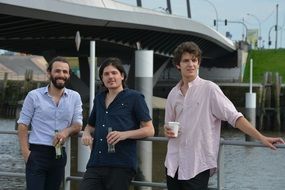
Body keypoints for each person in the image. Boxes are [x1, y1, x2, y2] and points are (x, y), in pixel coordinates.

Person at [164, 41, 285, 190]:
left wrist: (261, 137)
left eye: (194, 60)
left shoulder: (210, 89)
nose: (191, 64)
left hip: (197, 164)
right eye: (186, 61)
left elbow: (235, 117)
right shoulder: (172, 94)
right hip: (173, 163)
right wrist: (167, 131)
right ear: (178, 65)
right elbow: (169, 125)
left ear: (199, 63)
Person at [80, 57, 155, 190]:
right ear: (102, 78)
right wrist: (86, 133)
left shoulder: (135, 97)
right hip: (96, 162)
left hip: (121, 164)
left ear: (122, 76)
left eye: (114, 73)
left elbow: (150, 130)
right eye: (106, 74)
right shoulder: (99, 98)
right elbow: (90, 125)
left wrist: (124, 135)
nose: (110, 77)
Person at [17, 56, 83, 190]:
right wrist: (26, 154)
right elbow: (23, 125)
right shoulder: (34, 96)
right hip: (36, 153)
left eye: (65, 72)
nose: (61, 75)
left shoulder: (75, 97)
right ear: (49, 73)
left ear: (69, 75)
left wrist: (66, 131)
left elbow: (78, 125)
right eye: (57, 71)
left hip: (59, 154)